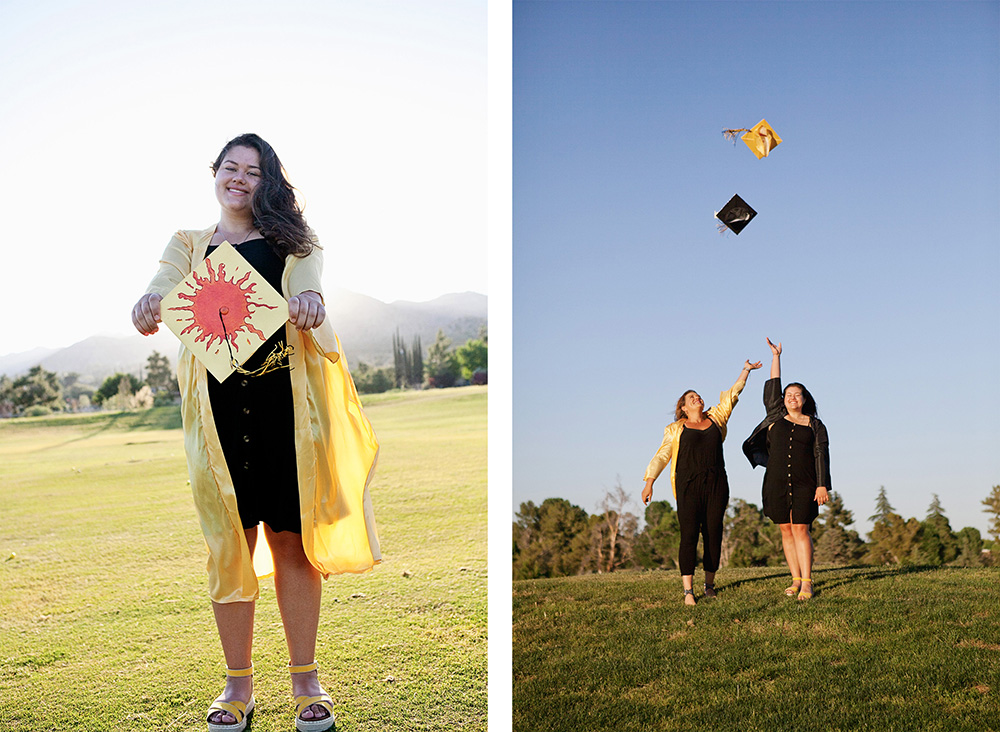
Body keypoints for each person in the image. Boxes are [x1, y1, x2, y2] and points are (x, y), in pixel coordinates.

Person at [131, 133, 379, 732]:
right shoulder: (188, 243)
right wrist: (147, 302)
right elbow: (164, 287)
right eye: (231, 167)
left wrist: (312, 300)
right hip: (216, 419)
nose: (240, 178)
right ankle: (236, 687)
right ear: (215, 173)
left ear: (269, 182)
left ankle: (306, 681)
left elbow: (308, 281)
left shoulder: (293, 241)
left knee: (292, 542)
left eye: (254, 170)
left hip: (285, 417)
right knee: (230, 546)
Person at [642, 359, 762, 605]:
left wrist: (745, 371)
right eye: (691, 397)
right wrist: (649, 482)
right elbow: (662, 455)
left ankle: (709, 585)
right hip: (687, 487)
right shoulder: (675, 429)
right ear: (684, 408)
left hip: (716, 484)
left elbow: (732, 396)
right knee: (688, 536)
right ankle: (688, 591)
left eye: (698, 395)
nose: (697, 398)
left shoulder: (717, 419)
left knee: (713, 533)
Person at [742, 338, 831, 601]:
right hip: (776, 481)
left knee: (801, 528)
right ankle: (794, 578)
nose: (792, 398)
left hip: (806, 482)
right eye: (788, 395)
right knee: (785, 529)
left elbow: (821, 454)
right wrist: (776, 357)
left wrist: (822, 484)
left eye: (797, 395)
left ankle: (807, 582)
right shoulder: (775, 416)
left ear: (804, 400)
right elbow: (773, 386)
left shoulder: (815, 425)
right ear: (784, 400)